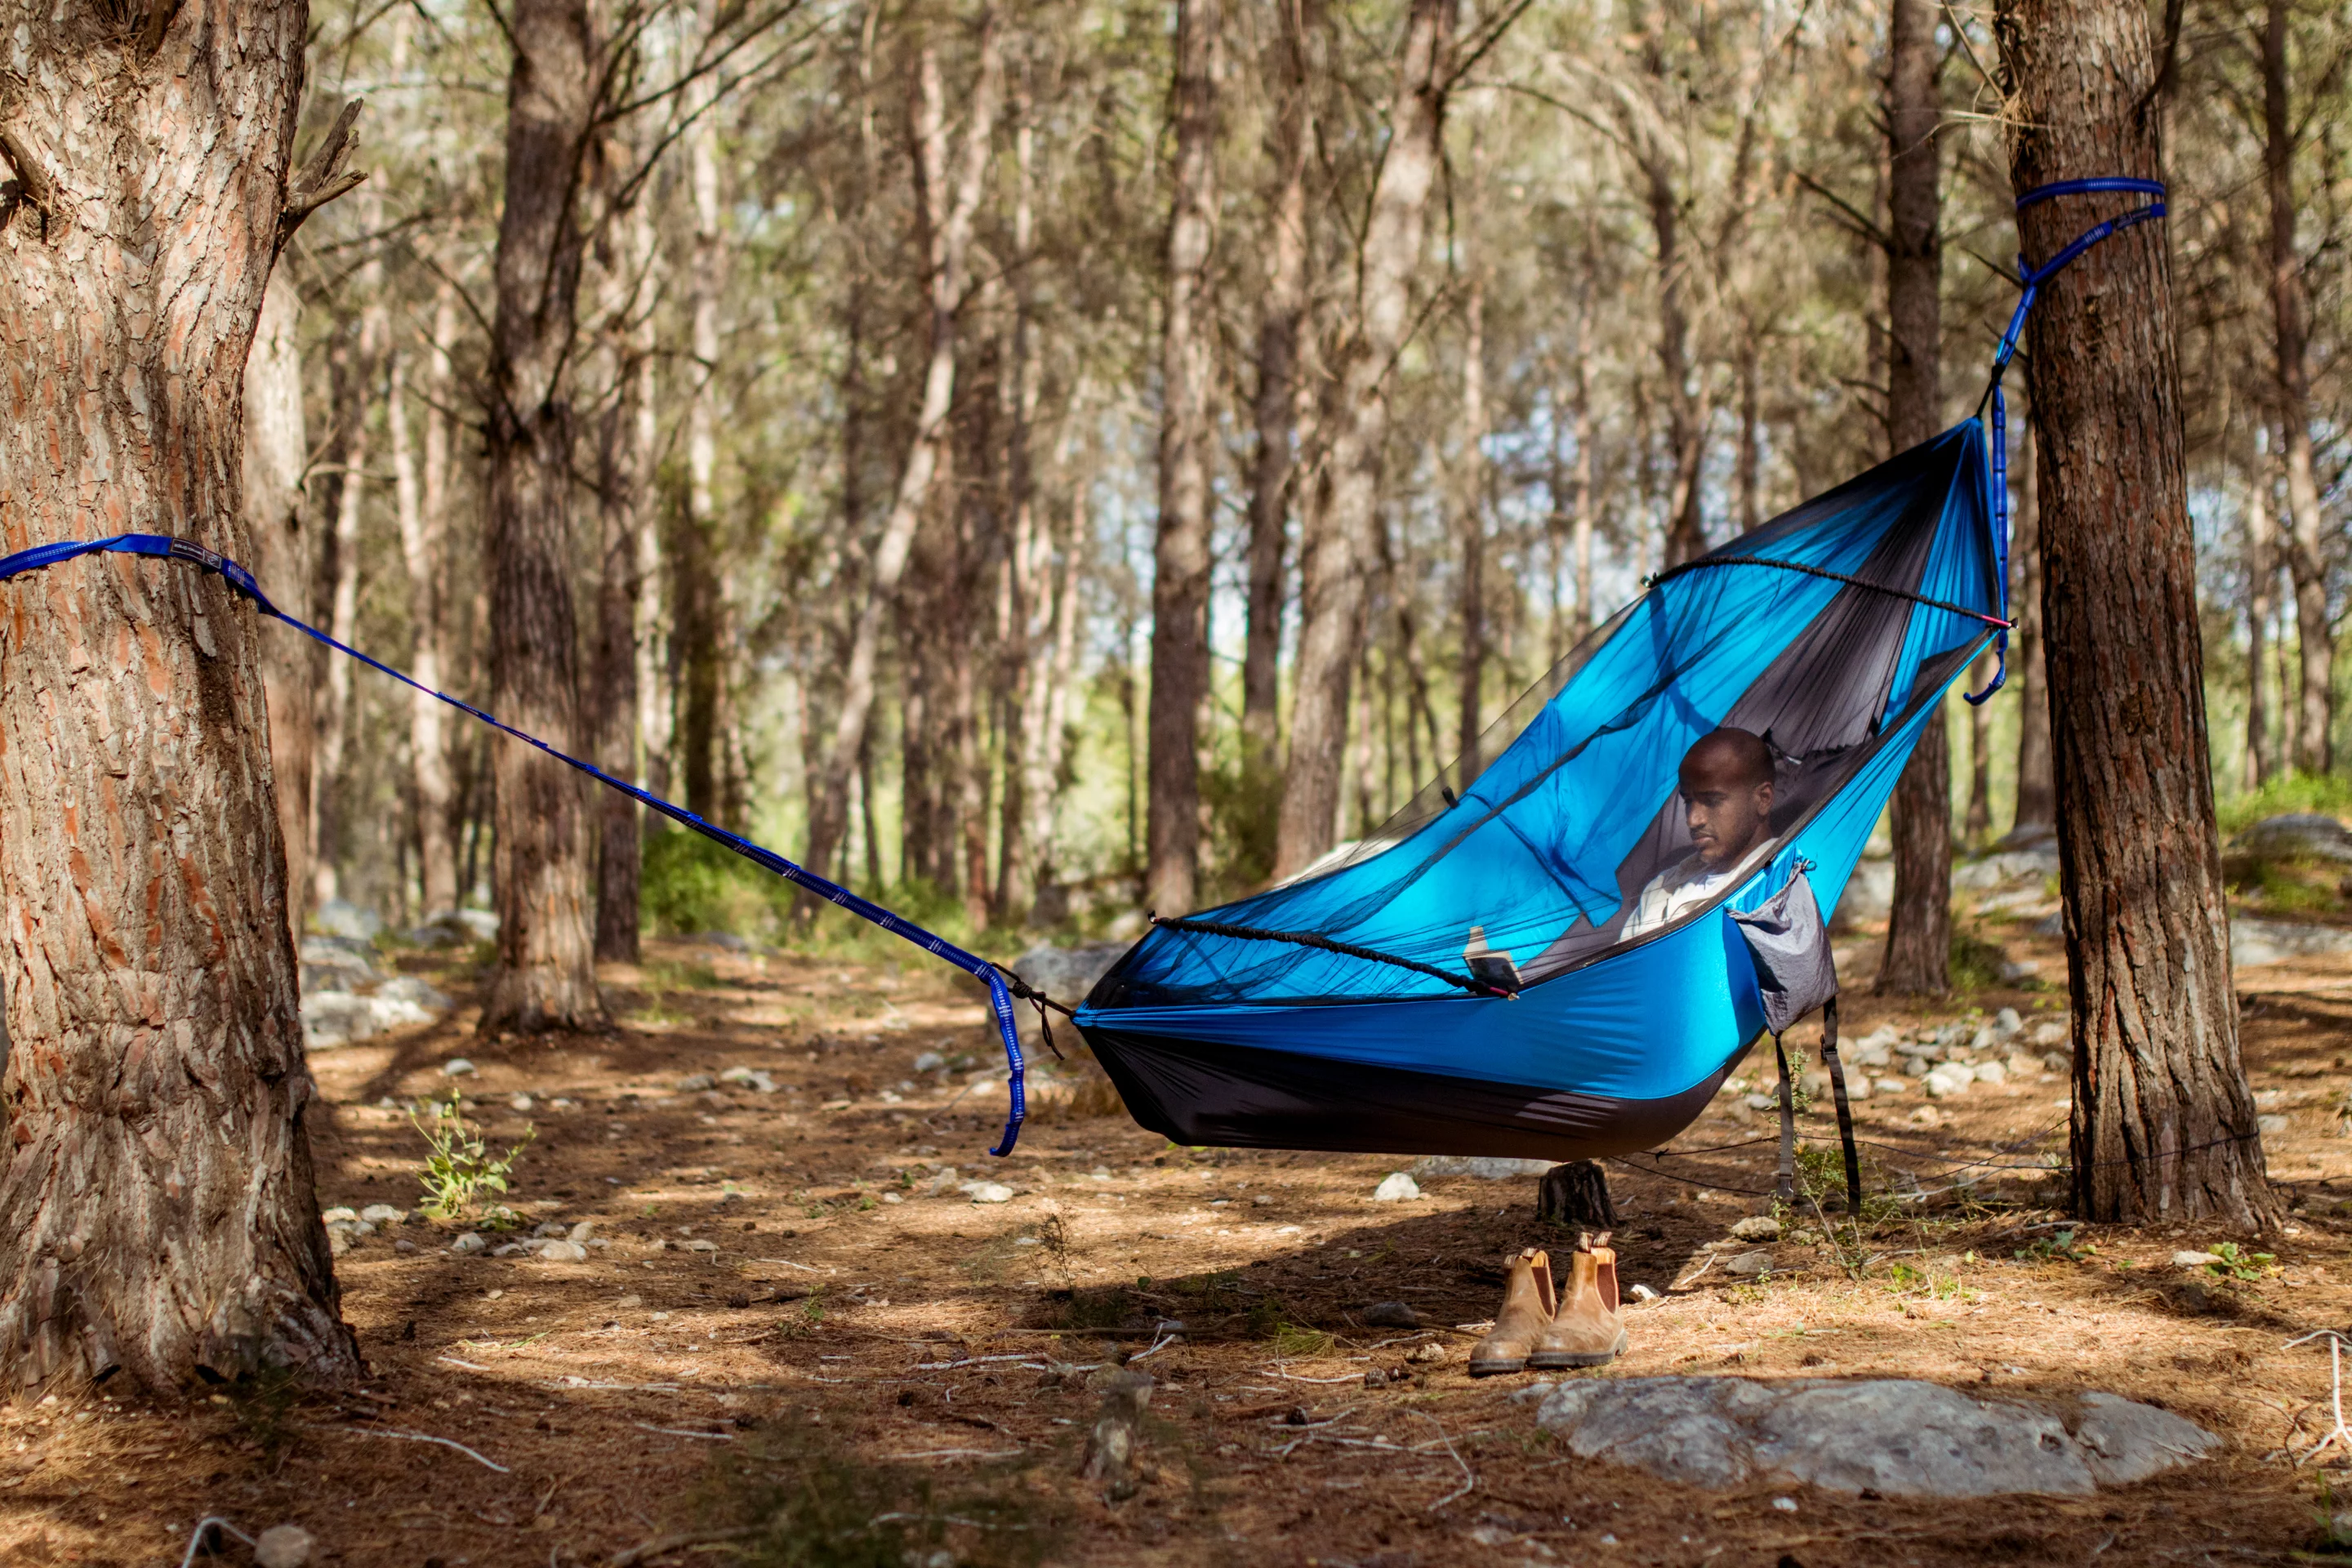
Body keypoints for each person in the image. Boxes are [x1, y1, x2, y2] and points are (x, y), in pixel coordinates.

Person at [1619, 727, 1775, 942]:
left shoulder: (1778, 890)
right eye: (1688, 801)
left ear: (1763, 799)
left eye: (1712, 800)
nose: (1693, 820)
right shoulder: (1661, 888)